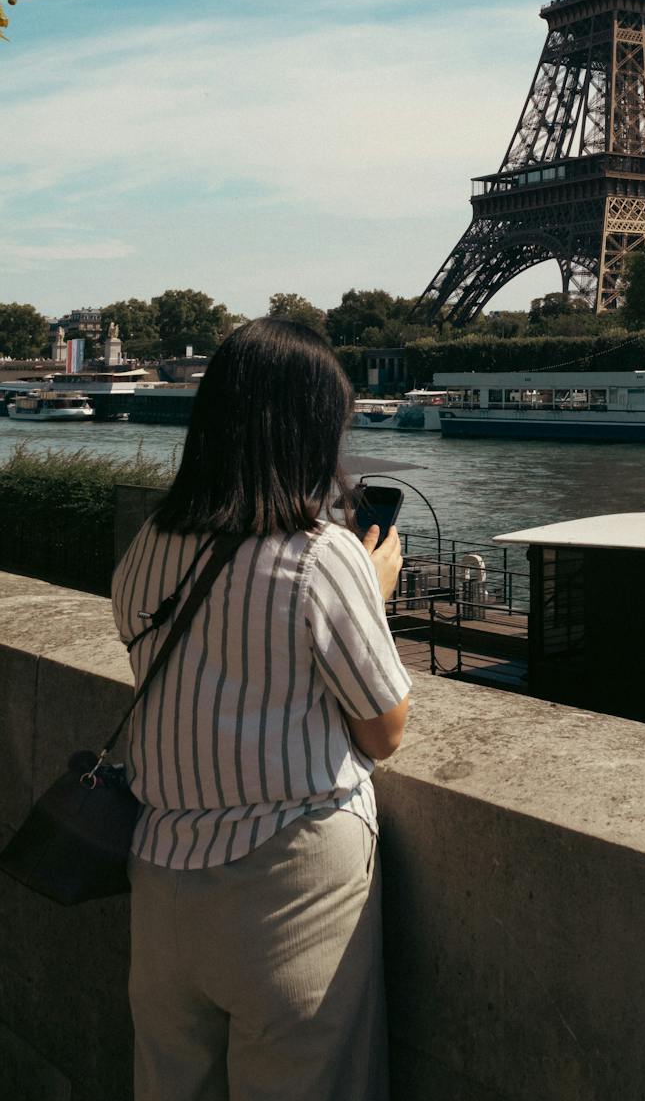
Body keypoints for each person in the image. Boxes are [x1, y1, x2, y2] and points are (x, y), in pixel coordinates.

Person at [111, 317, 412, 1101]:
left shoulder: (149, 546)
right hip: (290, 890)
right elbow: (384, 731)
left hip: (161, 877)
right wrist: (371, 597)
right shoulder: (323, 553)